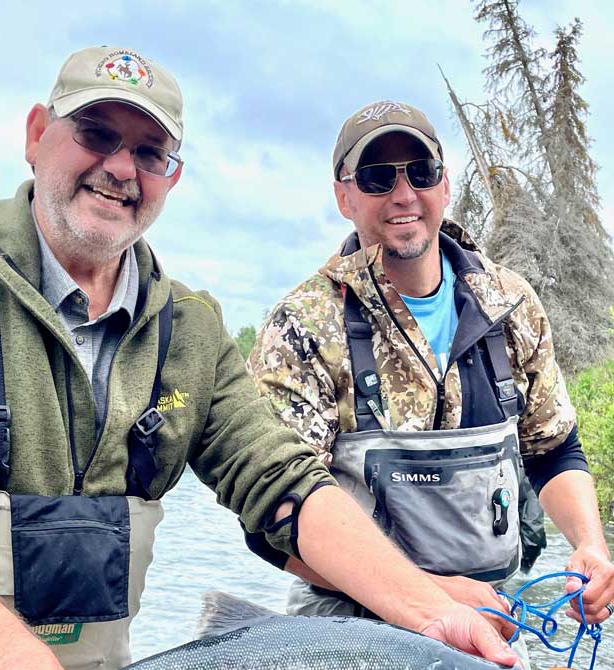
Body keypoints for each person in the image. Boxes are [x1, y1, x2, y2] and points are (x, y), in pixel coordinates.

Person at [0, 61, 520, 670]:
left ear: (171, 178)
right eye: (97, 133)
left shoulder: (188, 331)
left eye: (150, 153)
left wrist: (429, 613)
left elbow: (285, 486)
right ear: (36, 136)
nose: (121, 168)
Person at [248, 100, 614, 636]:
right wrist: (435, 595)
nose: (403, 195)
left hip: (495, 613)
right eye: (377, 177)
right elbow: (272, 525)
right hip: (348, 627)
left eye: (420, 173)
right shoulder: (301, 326)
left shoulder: (510, 304)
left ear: (444, 186)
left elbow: (553, 448)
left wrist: (590, 546)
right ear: (343, 196)